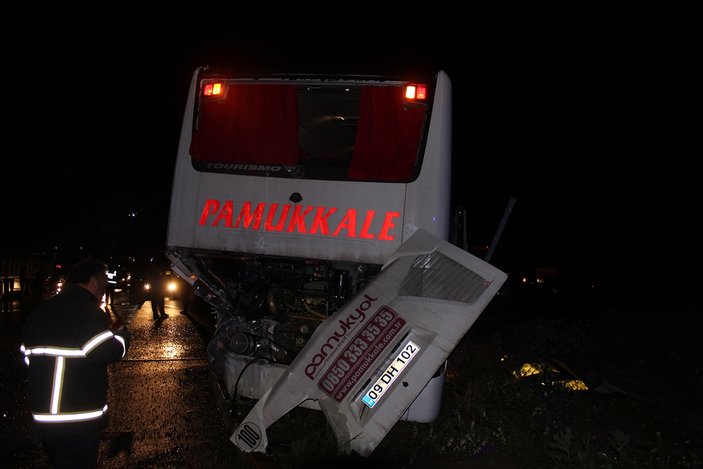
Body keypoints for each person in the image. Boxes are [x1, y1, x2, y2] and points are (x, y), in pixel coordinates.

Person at [21, 258, 131, 469]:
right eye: (103, 283)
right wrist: (122, 337)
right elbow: (103, 351)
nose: (104, 289)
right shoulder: (89, 312)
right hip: (77, 418)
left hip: (43, 417)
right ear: (93, 282)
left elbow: (28, 358)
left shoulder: (40, 311)